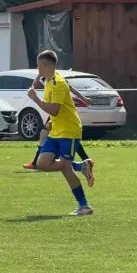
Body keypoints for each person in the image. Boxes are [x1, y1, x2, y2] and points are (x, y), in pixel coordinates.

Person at [26, 50, 94, 215]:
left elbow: (55, 110)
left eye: (38, 64)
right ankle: (81, 166)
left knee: (65, 168)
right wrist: (83, 98)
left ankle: (84, 206)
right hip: (56, 130)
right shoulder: (49, 80)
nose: (37, 68)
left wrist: (35, 99)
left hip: (69, 130)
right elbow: (69, 88)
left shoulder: (57, 83)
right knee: (42, 163)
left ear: (46, 65)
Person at [23, 74, 94, 178]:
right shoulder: (48, 78)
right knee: (46, 134)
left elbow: (70, 87)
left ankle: (83, 164)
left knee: (50, 136)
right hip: (55, 114)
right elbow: (34, 85)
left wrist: (84, 99)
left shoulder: (56, 79)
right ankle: (85, 162)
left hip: (61, 115)